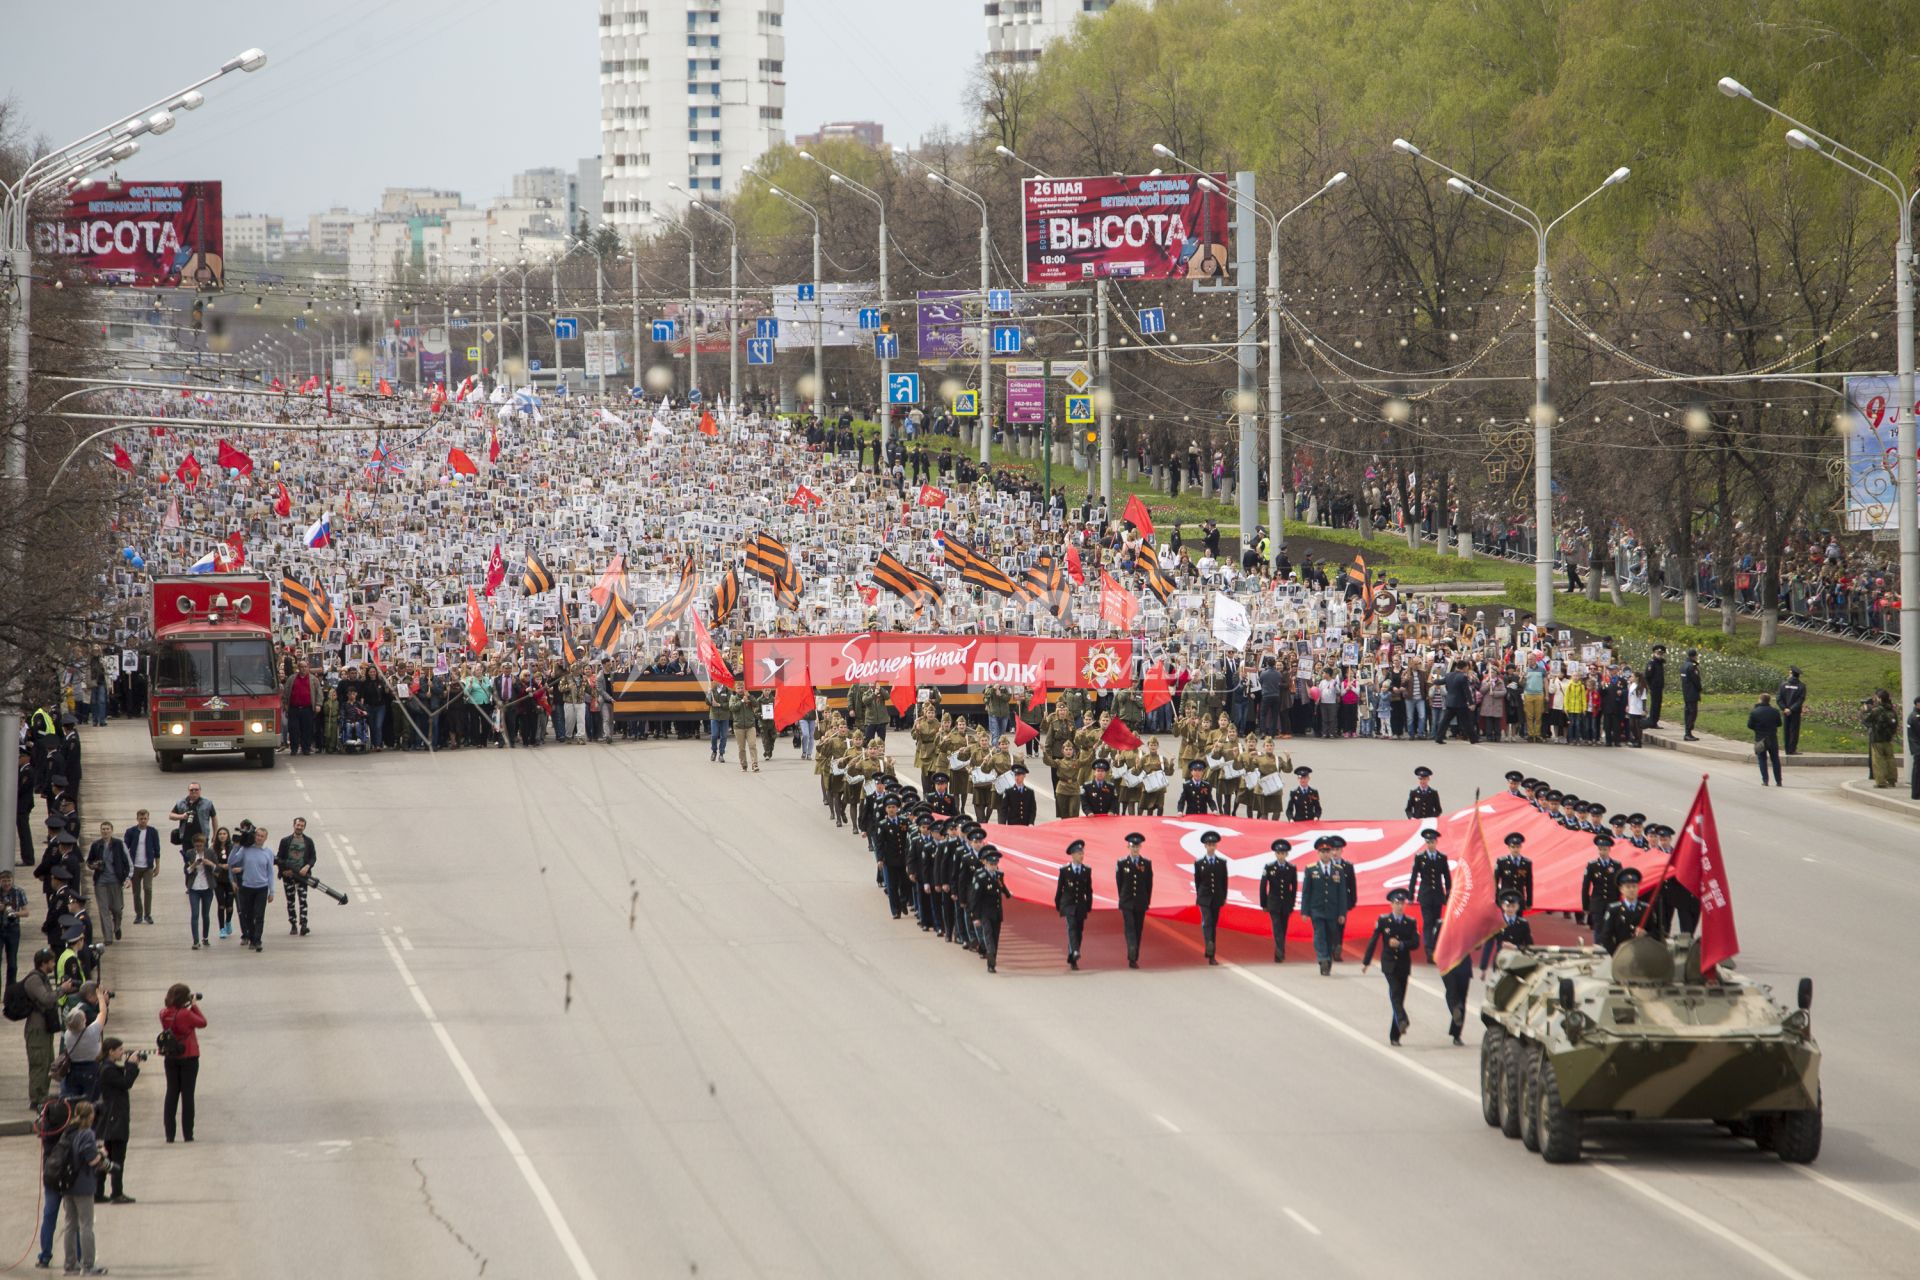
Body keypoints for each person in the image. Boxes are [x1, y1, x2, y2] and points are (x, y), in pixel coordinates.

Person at [53, 1097, 107, 1275]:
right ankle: (88, 1264)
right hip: (83, 1185)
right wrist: (101, 1154)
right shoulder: (87, 1134)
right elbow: (91, 1159)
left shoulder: (68, 1131)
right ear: (90, 1116)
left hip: (66, 1183)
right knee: (86, 1225)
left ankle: (70, 1263)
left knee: (70, 1224)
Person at [1361, 889, 1421, 1044]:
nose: (1399, 906)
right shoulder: (1384, 921)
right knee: (1395, 993)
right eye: (1397, 903)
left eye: (1402, 903)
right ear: (1391, 905)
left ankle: (1395, 1036)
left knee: (1399, 998)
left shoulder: (1410, 922)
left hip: (1403, 964)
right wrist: (1366, 961)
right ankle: (1402, 1019)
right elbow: (1373, 941)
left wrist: (1401, 944)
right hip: (1389, 964)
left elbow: (1415, 943)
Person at [94, 1038, 139, 1204]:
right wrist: (132, 1066)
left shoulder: (107, 1067)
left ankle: (98, 1192)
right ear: (111, 1051)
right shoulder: (107, 1070)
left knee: (107, 1157)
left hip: (110, 1117)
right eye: (119, 1050)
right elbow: (126, 1083)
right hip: (115, 1119)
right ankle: (116, 1192)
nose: (122, 1052)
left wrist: (129, 1064)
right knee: (116, 1157)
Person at [158, 983, 205, 1142]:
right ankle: (188, 1134)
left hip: (170, 1056)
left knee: (171, 1093)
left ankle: (169, 1134)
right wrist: (194, 1006)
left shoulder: (164, 1013)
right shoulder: (186, 1014)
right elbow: (202, 1022)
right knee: (187, 1095)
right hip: (188, 1055)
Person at [22, 947, 68, 1104]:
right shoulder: (34, 980)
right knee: (39, 1064)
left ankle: (43, 1095)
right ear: (43, 963)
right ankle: (36, 1098)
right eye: (51, 962)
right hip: (37, 1029)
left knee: (47, 1062)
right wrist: (62, 990)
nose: (54, 964)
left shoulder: (43, 977)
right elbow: (46, 998)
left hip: (44, 1028)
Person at [1301, 838, 1348, 976]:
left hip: (1332, 910)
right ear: (1318, 853)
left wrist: (1342, 913)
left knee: (1330, 936)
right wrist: (1305, 911)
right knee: (1319, 935)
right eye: (1322, 851)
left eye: (1327, 851)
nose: (1325, 854)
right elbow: (1306, 892)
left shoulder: (1338, 870)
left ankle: (1328, 959)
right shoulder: (1311, 870)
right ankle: (1323, 959)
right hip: (1317, 909)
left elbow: (1342, 894)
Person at [1405, 827, 1451, 960]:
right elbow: (1414, 876)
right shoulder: (1420, 857)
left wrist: (1448, 895)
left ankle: (1436, 946)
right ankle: (1429, 949)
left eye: (1432, 842)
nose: (1430, 844)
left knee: (1437, 922)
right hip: (1425, 894)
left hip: (1437, 894)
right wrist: (1410, 895)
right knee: (1427, 921)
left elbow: (1447, 877)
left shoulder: (1442, 858)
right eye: (1428, 842)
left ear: (1436, 842)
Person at [227, 827, 275, 952]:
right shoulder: (246, 849)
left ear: (265, 838)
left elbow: (270, 872)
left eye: (262, 836)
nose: (259, 838)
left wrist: (272, 891)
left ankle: (257, 940)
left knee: (259, 915)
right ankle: (252, 938)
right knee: (247, 914)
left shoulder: (268, 852)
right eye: (257, 835)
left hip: (261, 888)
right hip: (247, 887)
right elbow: (231, 861)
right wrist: (236, 846)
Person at [1594, 867, 1660, 953]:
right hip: (1622, 954)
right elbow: (1606, 936)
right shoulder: (1614, 909)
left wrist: (1646, 934)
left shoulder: (1646, 909)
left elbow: (1657, 934)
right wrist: (1616, 953)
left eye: (1634, 886)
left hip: (1643, 954)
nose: (1632, 890)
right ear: (1621, 889)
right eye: (1628, 887)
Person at [1114, 832, 1153, 969]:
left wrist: (1147, 900)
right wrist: (1123, 898)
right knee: (1129, 926)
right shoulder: (1122, 863)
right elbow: (1119, 883)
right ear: (1128, 847)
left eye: (1137, 847)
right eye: (1132, 847)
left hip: (1141, 901)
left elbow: (1149, 884)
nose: (1135, 849)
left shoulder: (1146, 864)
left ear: (1140, 847)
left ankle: (1134, 957)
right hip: (1127, 901)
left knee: (1138, 928)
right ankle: (1131, 947)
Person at [85, 822, 130, 943]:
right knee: (103, 909)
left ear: (112, 830)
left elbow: (127, 862)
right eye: (103, 829)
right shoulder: (96, 845)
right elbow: (89, 861)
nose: (105, 831)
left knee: (117, 909)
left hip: (115, 881)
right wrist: (93, 865)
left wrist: (128, 878)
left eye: (107, 829)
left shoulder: (119, 844)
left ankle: (117, 926)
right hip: (101, 882)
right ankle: (108, 937)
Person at [1053, 839, 1093, 970]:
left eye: (1082, 853)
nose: (1082, 855)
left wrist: (1089, 905)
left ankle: (1073, 956)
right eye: (1079, 853)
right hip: (1068, 904)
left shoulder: (1086, 870)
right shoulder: (1065, 870)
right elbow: (1060, 889)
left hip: (1081, 905)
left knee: (1079, 931)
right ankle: (1075, 951)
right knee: (1072, 927)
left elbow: (1088, 890)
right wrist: (1058, 904)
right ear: (1073, 855)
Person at [970, 847, 1010, 973]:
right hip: (985, 912)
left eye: (995, 863)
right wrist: (975, 917)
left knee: (995, 936)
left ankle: (992, 956)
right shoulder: (980, 876)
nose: (993, 866)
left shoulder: (999, 875)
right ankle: (991, 961)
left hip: (997, 912)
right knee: (988, 936)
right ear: (985, 863)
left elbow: (1002, 887)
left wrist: (1008, 894)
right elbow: (975, 898)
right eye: (991, 864)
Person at [276, 817, 319, 937]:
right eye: (297, 825)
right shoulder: (285, 841)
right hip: (288, 876)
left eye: (301, 825)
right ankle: (293, 924)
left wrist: (307, 867)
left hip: (302, 877)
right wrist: (284, 871)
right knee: (290, 901)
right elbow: (279, 858)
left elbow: (313, 857)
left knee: (303, 900)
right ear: (293, 825)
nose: (299, 827)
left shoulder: (308, 841)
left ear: (304, 827)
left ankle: (304, 925)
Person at [1193, 830, 1228, 965]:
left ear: (1216, 846)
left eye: (1213, 844)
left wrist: (1223, 896)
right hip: (1204, 898)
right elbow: (1198, 881)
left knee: (1213, 924)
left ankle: (1211, 953)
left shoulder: (1221, 863)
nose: (1211, 847)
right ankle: (1209, 943)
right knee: (1207, 921)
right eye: (1209, 844)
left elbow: (1224, 881)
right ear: (1205, 846)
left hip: (1217, 897)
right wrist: (1200, 895)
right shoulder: (1199, 863)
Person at [122, 809, 162, 928]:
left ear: (148, 819)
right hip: (135, 866)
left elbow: (157, 850)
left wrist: (157, 866)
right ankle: (139, 914)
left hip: (148, 866)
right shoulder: (131, 832)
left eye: (145, 818)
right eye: (141, 818)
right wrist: (126, 867)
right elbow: (125, 849)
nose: (143, 821)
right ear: (137, 819)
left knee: (148, 889)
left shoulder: (153, 832)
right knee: (136, 892)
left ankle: (148, 914)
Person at [1258, 839, 1297, 963]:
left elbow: (1294, 888)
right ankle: (1279, 950)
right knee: (1276, 927)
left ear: (1286, 854)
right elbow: (1263, 886)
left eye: (1283, 853)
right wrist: (1263, 903)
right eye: (1279, 853)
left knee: (1283, 927)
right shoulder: (1269, 867)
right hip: (1273, 903)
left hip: (1286, 903)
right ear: (1275, 854)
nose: (1281, 855)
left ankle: (1280, 949)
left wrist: (1292, 903)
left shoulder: (1291, 868)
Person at [59, 1000, 105, 1100]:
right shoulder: (92, 1031)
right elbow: (102, 1013)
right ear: (84, 1020)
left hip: (73, 1069)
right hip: (92, 1068)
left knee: (73, 1099)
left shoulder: (68, 1035)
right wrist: (101, 997)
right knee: (91, 1099)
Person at [1480, 892, 1535, 972]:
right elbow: (1489, 944)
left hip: (1517, 962)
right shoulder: (1497, 923)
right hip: (1500, 961)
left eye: (1513, 906)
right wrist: (1483, 967)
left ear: (1518, 907)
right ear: (1503, 906)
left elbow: (1530, 946)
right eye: (1508, 906)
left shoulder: (1523, 924)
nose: (1510, 909)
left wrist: (1516, 947)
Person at [183, 832, 217, 949]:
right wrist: (193, 865)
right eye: (196, 846)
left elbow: (217, 869)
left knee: (205, 914)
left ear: (204, 844)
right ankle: (195, 941)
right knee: (195, 914)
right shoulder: (190, 853)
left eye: (201, 846)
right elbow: (186, 871)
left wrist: (210, 863)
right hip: (194, 887)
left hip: (207, 887)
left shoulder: (210, 853)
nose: (198, 848)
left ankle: (205, 937)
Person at [1864, 689, 1900, 788]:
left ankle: (1880, 782)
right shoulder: (1891, 710)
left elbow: (1866, 719)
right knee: (1890, 759)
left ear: (1879, 698)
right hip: (1888, 738)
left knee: (1878, 761)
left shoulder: (1876, 710)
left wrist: (1866, 709)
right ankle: (1892, 780)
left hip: (1877, 739)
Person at [1748, 692, 1784, 786]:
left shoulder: (1755, 712)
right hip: (1772, 738)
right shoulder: (1775, 711)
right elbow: (1779, 724)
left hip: (1760, 738)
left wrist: (1758, 728)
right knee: (1775, 759)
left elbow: (1750, 725)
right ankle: (1778, 781)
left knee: (1762, 759)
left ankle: (1765, 780)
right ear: (1769, 701)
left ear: (1760, 700)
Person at [0, 868, 25, 987]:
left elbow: (26, 912)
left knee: (12, 964)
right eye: (4, 881)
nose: (6, 884)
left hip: (13, 929)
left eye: (8, 880)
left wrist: (14, 913)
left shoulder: (18, 892)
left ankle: (10, 993)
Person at [1776, 667, 1807, 755]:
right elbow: (1800, 700)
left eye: (1789, 673)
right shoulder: (1801, 686)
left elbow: (1779, 698)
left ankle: (1786, 749)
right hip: (1795, 712)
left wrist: (1784, 708)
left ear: (1792, 674)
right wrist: (1791, 709)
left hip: (1785, 712)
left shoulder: (1783, 684)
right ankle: (1792, 749)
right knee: (1794, 730)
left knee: (1786, 730)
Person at [1680, 649, 1703, 741]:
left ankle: (1687, 731)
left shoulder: (1683, 666)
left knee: (1687, 712)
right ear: (1694, 656)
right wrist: (1700, 688)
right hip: (1692, 692)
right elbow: (1696, 680)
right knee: (1692, 713)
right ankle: (1688, 733)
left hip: (1686, 692)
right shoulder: (1692, 667)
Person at [1644, 644, 1667, 729]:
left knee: (1658, 705)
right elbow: (1647, 676)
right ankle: (1652, 721)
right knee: (1654, 705)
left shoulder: (1660, 663)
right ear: (1654, 653)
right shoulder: (1652, 663)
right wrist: (1651, 686)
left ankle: (1655, 721)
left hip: (1659, 687)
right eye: (1658, 653)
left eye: (1661, 653)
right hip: (1654, 687)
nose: (1659, 655)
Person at [1908, 696, 1920, 802]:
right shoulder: (1915, 717)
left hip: (1917, 747)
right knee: (1917, 772)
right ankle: (1916, 793)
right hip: (1918, 748)